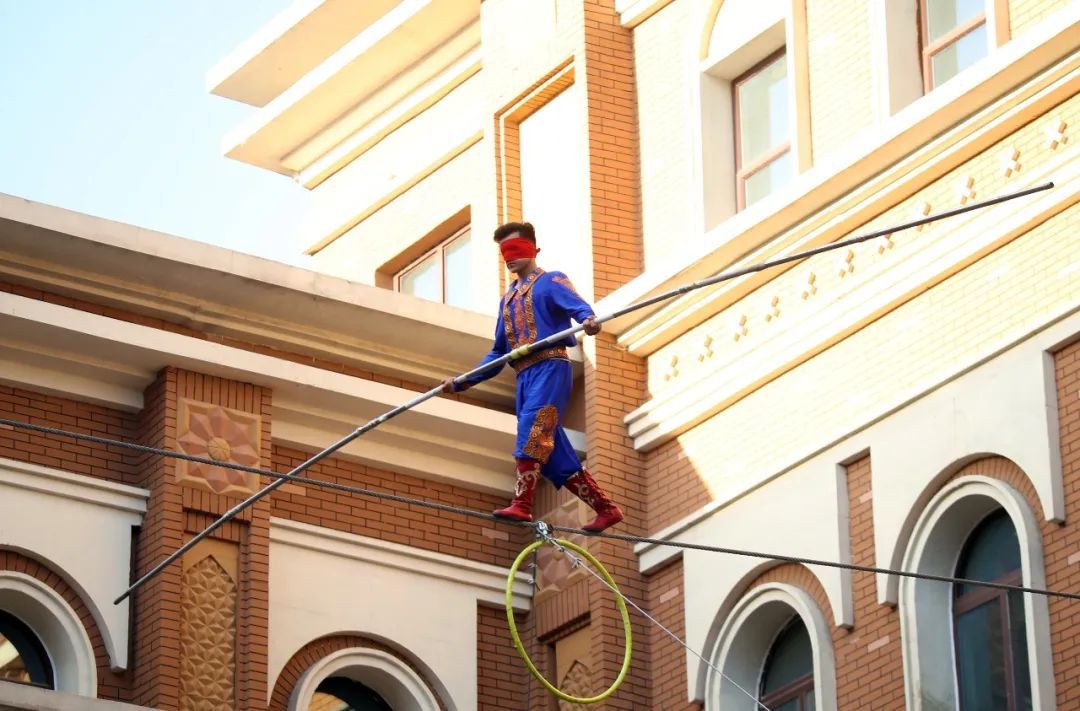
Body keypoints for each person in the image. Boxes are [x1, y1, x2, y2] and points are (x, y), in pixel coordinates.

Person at [442, 221, 624, 533]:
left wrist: (588, 320)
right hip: (524, 376)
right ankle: (606, 509)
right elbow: (499, 351)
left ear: (533, 249)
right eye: (504, 253)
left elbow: (578, 307)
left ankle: (522, 505)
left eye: (516, 250)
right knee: (551, 453)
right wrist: (463, 381)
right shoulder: (508, 299)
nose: (510, 258)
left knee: (532, 430)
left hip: (551, 366)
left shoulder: (551, 280)